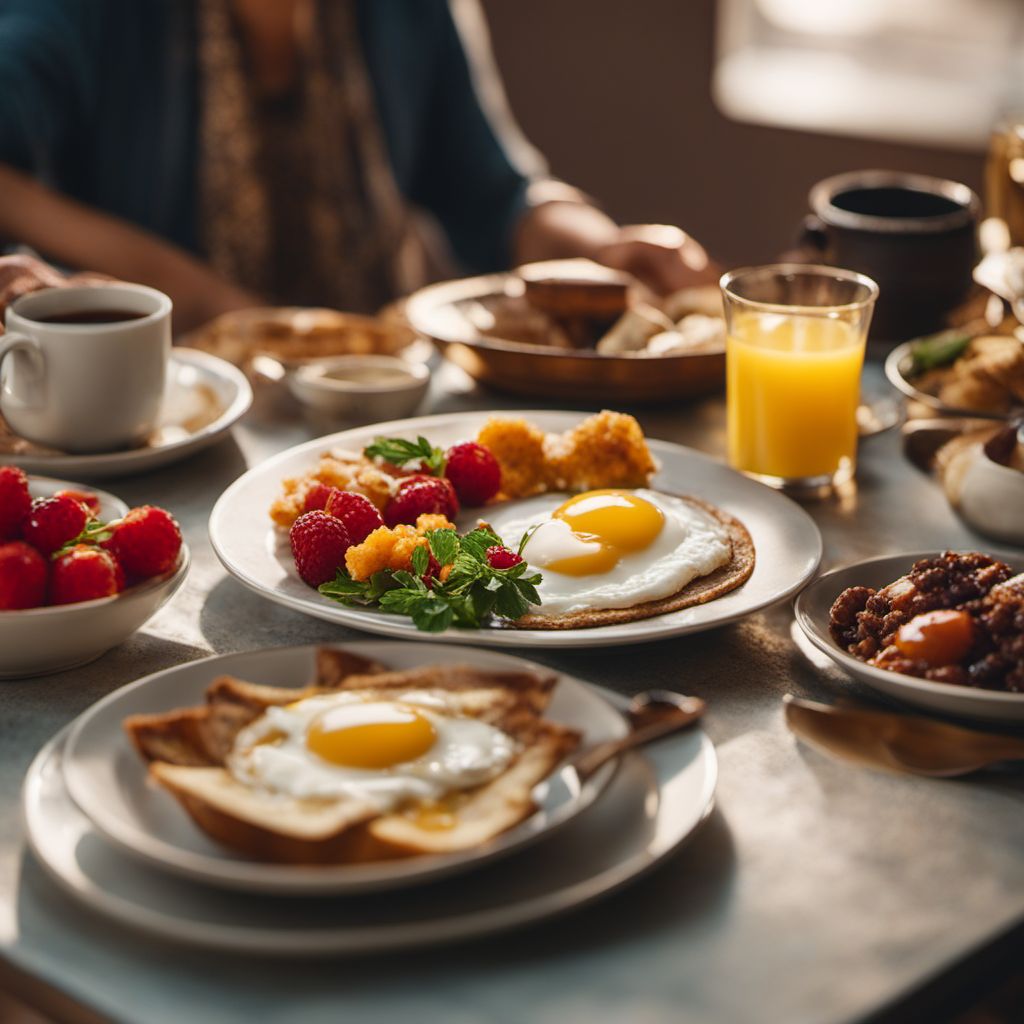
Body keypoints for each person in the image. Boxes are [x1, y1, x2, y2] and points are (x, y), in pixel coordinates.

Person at [0, 0, 716, 333]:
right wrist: (209, 302)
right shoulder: (73, 18)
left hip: (376, 403)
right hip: (168, 431)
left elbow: (497, 195)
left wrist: (598, 245)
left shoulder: (405, 13)